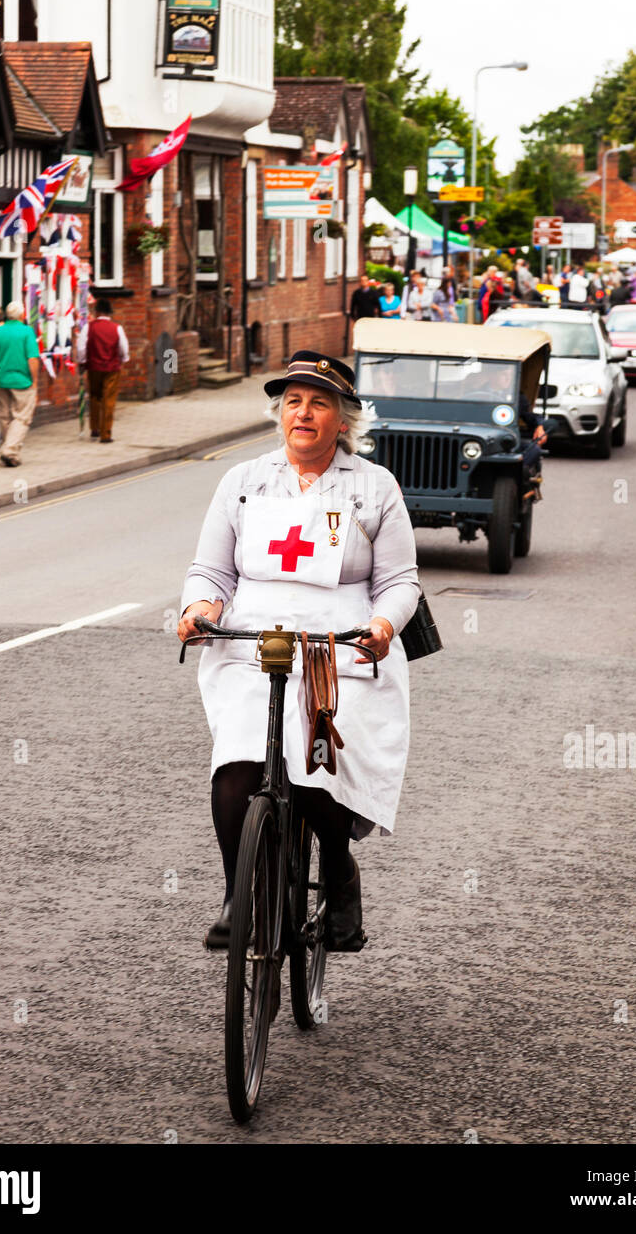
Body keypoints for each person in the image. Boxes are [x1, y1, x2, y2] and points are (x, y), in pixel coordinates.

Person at [178, 351, 420, 953]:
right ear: (279, 414)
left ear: (343, 420)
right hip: (254, 642)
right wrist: (201, 608)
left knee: (316, 768)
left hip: (337, 646)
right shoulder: (242, 482)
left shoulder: (374, 487)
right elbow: (211, 569)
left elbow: (400, 582)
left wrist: (385, 626)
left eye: (319, 403)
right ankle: (239, 894)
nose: (303, 413)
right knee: (237, 761)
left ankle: (338, 872)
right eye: (293, 401)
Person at [0, 301, 40, 467]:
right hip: (22, 380)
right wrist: (35, 381)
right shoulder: (26, 332)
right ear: (22, 315)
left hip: (1, 379)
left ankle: (12, 453)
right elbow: (32, 359)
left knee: (5, 416)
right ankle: (9, 450)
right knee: (22, 417)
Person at [76, 298, 130, 443]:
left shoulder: (89, 327)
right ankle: (105, 434)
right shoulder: (117, 328)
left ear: (97, 312)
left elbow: (81, 347)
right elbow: (123, 347)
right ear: (109, 313)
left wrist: (82, 361)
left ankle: (94, 428)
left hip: (93, 367)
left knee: (95, 396)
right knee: (109, 399)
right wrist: (124, 359)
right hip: (112, 367)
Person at [518, 390, 548, 490]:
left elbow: (529, 416)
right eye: (502, 375)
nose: (506, 378)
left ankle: (522, 482)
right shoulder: (475, 393)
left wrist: (540, 426)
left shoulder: (515, 396)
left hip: (507, 441)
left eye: (508, 375)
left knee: (534, 449)